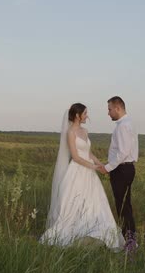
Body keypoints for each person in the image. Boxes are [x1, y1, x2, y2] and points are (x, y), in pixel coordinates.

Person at [40, 103, 125, 251]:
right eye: (85, 113)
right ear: (78, 116)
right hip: (77, 171)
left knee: (94, 202)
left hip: (90, 171)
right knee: (75, 203)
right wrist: (93, 167)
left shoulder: (85, 131)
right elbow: (76, 157)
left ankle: (97, 230)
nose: (87, 116)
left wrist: (102, 165)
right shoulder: (70, 133)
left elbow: (89, 153)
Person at [98, 96, 139, 247]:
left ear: (118, 108)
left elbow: (122, 153)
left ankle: (129, 242)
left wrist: (107, 167)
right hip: (126, 168)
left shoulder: (123, 126)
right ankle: (129, 239)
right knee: (125, 205)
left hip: (122, 169)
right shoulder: (129, 123)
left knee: (122, 207)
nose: (108, 113)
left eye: (109, 109)